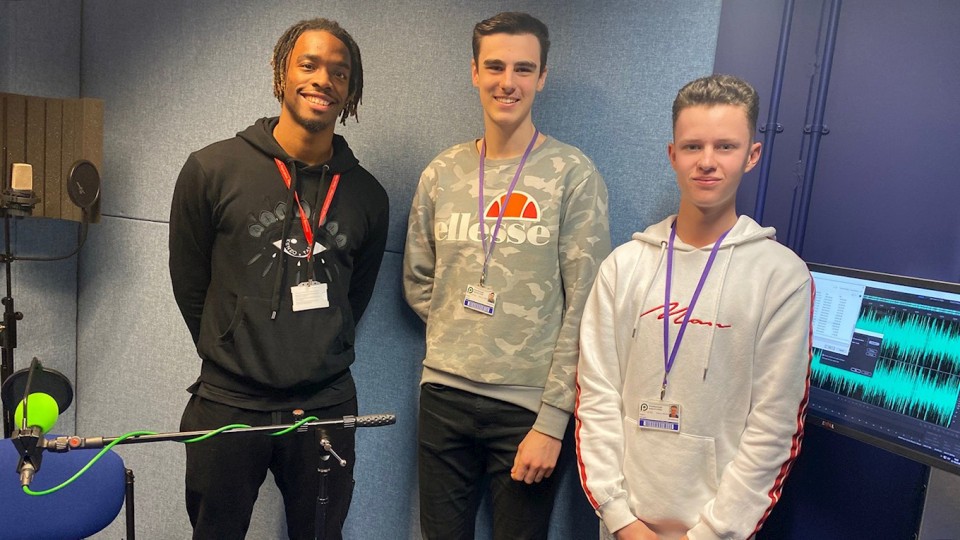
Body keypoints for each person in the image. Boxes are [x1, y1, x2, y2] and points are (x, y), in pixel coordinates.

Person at [169, 18, 388, 540]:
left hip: (325, 405)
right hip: (228, 401)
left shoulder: (368, 196)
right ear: (281, 72)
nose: (323, 80)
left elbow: (354, 297)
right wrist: (232, 343)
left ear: (351, 89)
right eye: (308, 65)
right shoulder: (212, 169)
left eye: (339, 72)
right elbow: (190, 282)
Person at [575, 74, 813, 540]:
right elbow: (596, 395)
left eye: (725, 146)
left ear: (752, 155)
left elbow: (775, 424)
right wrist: (620, 518)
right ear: (672, 154)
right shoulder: (624, 266)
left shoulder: (781, 277)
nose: (707, 161)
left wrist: (711, 533)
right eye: (692, 147)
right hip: (624, 527)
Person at [403, 11, 611, 540]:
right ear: (474, 72)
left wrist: (553, 421)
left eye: (524, 69)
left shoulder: (573, 174)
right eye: (495, 67)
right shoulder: (442, 172)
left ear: (542, 78)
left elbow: (586, 307)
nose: (508, 82)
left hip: (528, 410)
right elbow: (420, 278)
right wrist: (464, 328)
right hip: (443, 396)